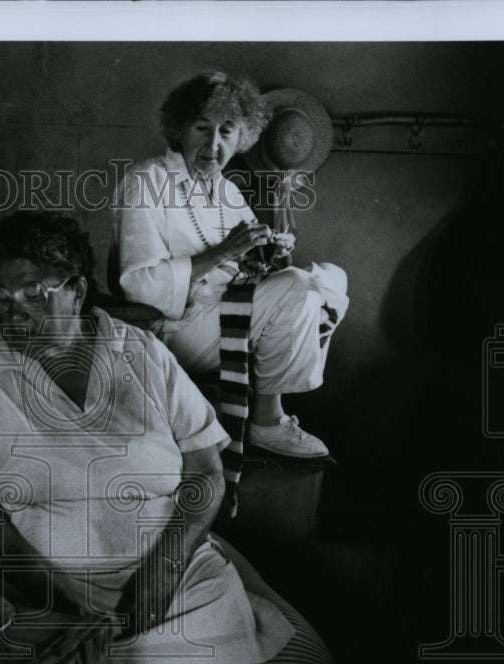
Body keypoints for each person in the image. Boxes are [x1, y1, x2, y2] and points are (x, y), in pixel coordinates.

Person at [0, 211, 311, 664]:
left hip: (176, 579)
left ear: (76, 290)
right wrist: (53, 591)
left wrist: (161, 573)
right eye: (1, 298)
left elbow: (205, 471)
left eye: (34, 295)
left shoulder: (143, 354)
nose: (15, 313)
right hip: (42, 585)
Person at [112, 70, 348, 477]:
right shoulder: (146, 180)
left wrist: (265, 256)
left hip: (224, 317)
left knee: (330, 276)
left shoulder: (227, 191)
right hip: (173, 329)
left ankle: (268, 407)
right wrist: (225, 252)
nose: (213, 143)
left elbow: (247, 264)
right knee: (298, 288)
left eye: (226, 131)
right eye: (201, 128)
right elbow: (140, 289)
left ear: (243, 137)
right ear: (179, 130)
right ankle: (267, 421)